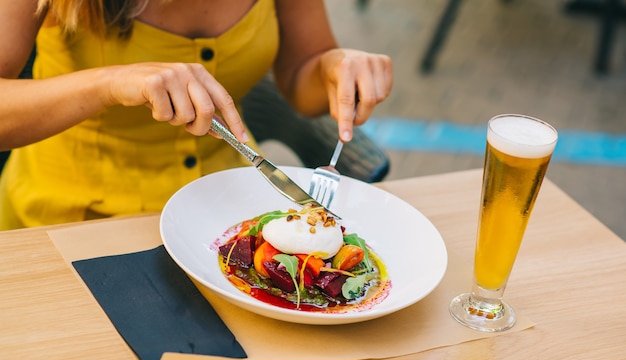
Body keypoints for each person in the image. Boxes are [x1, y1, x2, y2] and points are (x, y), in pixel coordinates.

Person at [0, 0, 393, 229]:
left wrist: (333, 66)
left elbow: (301, 76)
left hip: (228, 211)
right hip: (71, 219)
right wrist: (108, 83)